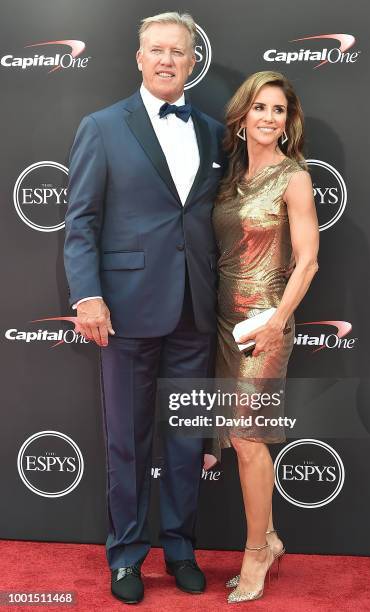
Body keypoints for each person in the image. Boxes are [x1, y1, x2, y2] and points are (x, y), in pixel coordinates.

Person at [64, 12, 225, 605]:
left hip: (195, 310)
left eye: (177, 52)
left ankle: (181, 549)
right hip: (124, 311)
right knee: (127, 440)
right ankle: (127, 555)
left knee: (186, 438)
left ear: (191, 61)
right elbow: (80, 221)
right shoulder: (103, 127)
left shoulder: (212, 131)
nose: (166, 60)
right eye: (155, 50)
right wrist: (87, 294)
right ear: (138, 58)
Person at [212, 71, 319, 603]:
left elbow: (308, 261)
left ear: (287, 121)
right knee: (237, 442)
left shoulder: (293, 176)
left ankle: (256, 553)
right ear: (243, 115)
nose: (269, 117)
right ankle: (269, 537)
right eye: (260, 107)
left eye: (279, 109)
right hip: (222, 324)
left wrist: (278, 319)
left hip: (266, 326)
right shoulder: (230, 179)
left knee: (249, 441)